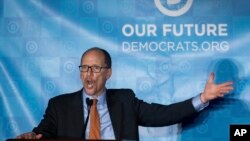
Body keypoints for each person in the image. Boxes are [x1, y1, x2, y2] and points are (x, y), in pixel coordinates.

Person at [16, 47, 234, 140]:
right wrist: (31, 137)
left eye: (95, 68)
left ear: (108, 73)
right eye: (84, 68)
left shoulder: (125, 100)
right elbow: (41, 134)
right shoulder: (59, 105)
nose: (88, 74)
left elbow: (163, 114)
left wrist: (203, 98)